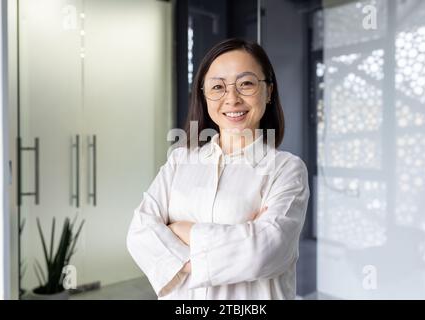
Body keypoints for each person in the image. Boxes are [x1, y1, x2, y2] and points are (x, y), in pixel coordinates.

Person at [126, 38, 310, 300]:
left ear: (268, 91)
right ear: (204, 94)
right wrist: (235, 243)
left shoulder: (286, 169)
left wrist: (178, 231)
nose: (231, 99)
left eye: (246, 83)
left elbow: (264, 252)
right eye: (217, 87)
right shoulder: (180, 160)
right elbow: (139, 232)